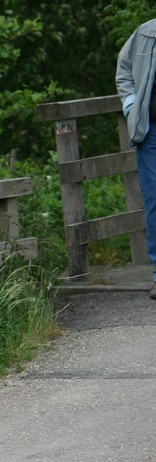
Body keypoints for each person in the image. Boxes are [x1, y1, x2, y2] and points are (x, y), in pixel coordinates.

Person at [116, 18, 156, 298]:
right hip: (151, 132)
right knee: (155, 200)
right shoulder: (146, 32)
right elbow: (124, 69)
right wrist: (131, 105)